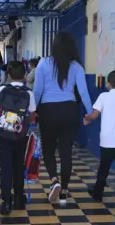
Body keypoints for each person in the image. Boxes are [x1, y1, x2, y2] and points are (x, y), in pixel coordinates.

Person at [33, 32, 93, 203]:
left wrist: (32, 110)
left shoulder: (43, 63)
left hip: (47, 110)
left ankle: (54, 181)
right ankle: (64, 192)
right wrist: (89, 114)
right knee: (66, 152)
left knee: (49, 149)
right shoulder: (77, 67)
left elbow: (37, 91)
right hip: (69, 110)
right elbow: (83, 92)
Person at [84, 70, 115, 213]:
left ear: (108, 84)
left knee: (103, 168)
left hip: (107, 142)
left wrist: (86, 118)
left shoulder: (103, 96)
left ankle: (98, 192)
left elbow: (94, 114)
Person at [0, 61, 36, 215]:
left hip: (3, 134)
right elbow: (32, 115)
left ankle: (6, 201)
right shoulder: (29, 93)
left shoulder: (3, 89)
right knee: (19, 164)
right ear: (24, 75)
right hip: (20, 134)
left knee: (5, 167)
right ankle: (18, 197)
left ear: (8, 75)